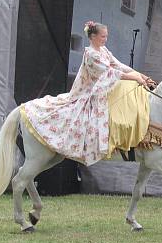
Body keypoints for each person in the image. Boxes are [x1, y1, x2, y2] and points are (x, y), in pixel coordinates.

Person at [22, 21, 155, 166]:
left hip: (105, 91)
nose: (105, 39)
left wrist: (140, 75)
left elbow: (118, 65)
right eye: (102, 36)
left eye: (106, 36)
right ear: (92, 37)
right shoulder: (91, 54)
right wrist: (134, 77)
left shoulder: (103, 50)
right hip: (91, 94)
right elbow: (108, 72)